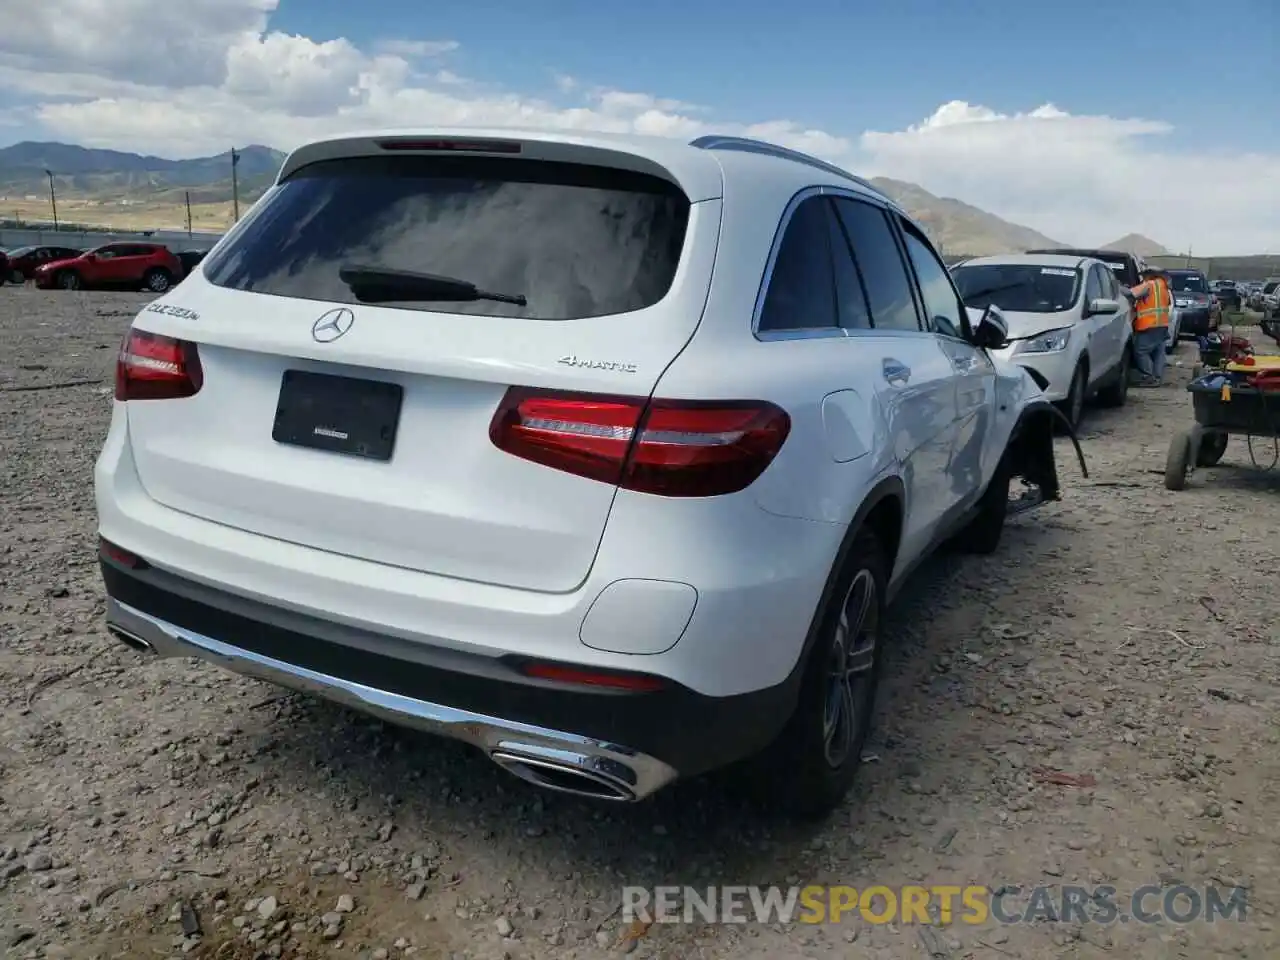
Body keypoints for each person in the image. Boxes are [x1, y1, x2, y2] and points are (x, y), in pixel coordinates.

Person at [1128, 268, 1173, 385]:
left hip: (1150, 324)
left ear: (1150, 275)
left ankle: (1148, 377)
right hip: (1162, 324)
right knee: (1159, 352)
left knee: (1140, 351)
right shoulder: (1163, 286)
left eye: (1144, 276)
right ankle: (1157, 378)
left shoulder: (1149, 285)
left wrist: (1117, 287)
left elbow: (1131, 293)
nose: (1143, 278)